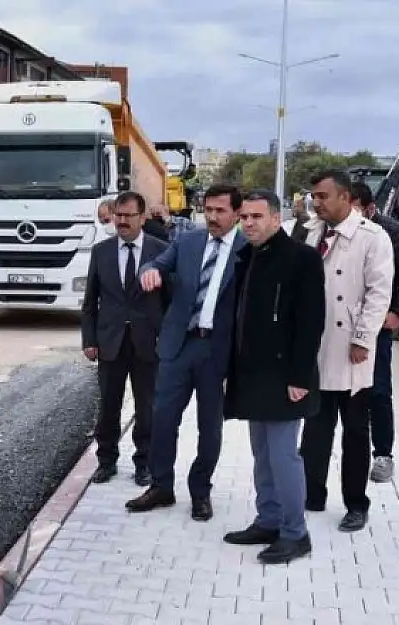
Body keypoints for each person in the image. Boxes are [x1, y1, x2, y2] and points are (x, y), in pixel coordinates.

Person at [125, 184, 246, 520]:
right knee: (162, 418)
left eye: (221, 211)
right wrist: (150, 272)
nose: (212, 217)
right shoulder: (188, 241)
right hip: (178, 344)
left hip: (216, 350)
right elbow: (156, 264)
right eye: (208, 210)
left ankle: (200, 491)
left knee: (210, 427)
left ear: (236, 213)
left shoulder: (247, 249)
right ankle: (161, 486)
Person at [222, 189, 326, 564]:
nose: (248, 223)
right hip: (253, 375)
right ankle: (268, 520)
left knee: (284, 457)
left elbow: (311, 322)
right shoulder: (246, 256)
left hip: (287, 377)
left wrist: (299, 376)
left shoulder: (302, 259)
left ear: (276, 219)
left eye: (256, 217)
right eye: (244, 217)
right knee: (262, 455)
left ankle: (295, 534)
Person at [298, 169, 394, 533]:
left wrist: (363, 339)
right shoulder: (310, 233)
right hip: (316, 346)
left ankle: (356, 503)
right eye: (314, 196)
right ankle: (312, 493)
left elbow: (378, 293)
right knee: (315, 426)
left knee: (355, 431)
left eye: (322, 196)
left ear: (343, 197)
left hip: (351, 347)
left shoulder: (373, 238)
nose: (316, 202)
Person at [81, 190, 170, 487]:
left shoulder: (161, 251)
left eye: (127, 216)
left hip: (148, 343)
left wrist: (167, 340)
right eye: (118, 215)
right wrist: (89, 340)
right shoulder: (101, 252)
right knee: (108, 406)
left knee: (147, 408)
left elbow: (170, 301)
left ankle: (144, 463)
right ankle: (106, 462)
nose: (121, 221)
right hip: (110, 342)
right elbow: (90, 301)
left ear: (142, 217)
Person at [349, 181, 399, 482]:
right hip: (338, 324)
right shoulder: (333, 230)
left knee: (378, 390)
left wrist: (398, 313)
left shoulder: (392, 233)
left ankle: (383, 455)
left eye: (355, 209)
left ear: (369, 208)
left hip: (377, 325)